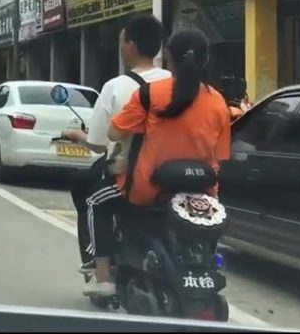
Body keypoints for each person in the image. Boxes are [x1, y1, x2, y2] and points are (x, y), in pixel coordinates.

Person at [82, 28, 231, 298]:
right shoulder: (219, 102)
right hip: (202, 196)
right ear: (205, 60)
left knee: (95, 201)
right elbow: (219, 155)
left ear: (169, 59)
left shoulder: (150, 94)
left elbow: (114, 132)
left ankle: (102, 279)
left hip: (147, 190)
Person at [61, 15, 170, 276]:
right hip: (171, 170)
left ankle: (99, 268)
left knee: (88, 193)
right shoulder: (175, 83)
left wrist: (78, 136)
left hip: (132, 175)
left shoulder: (115, 87)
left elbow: (99, 145)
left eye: (122, 42)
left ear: (130, 46)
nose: (120, 48)